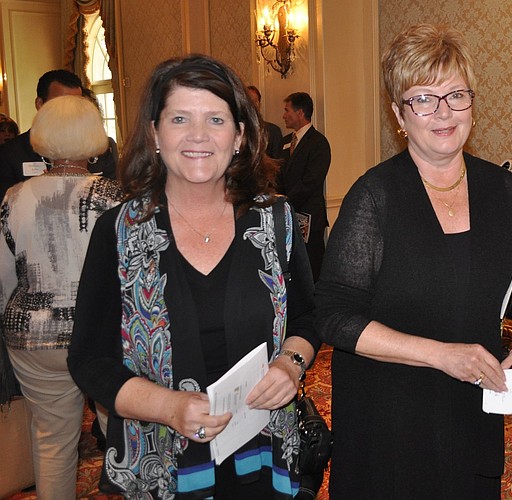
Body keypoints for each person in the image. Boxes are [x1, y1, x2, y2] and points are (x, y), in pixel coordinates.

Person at [314, 23, 512, 499]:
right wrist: (443, 355)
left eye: (456, 95)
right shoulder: (375, 196)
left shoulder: (503, 191)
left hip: (471, 417)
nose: (443, 112)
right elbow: (335, 317)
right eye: (423, 98)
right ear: (399, 115)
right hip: (389, 423)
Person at [67, 55, 320, 498]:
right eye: (180, 118)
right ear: (155, 133)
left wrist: (290, 365)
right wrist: (169, 407)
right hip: (162, 464)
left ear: (240, 135)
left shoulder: (275, 220)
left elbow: (307, 320)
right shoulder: (120, 231)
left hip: (263, 456)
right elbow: (88, 359)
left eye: (216, 119)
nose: (199, 136)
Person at [0, 95, 122, 500]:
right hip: (102, 335)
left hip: (33, 337)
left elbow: (3, 279)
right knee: (120, 430)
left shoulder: (14, 198)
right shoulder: (114, 197)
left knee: (52, 442)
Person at [0, 70, 118, 200]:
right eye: (61, 104)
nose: (71, 111)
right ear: (40, 104)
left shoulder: (97, 148)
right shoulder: (10, 154)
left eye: (77, 103)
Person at [277, 92, 331, 280]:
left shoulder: (318, 143)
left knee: (312, 268)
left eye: (287, 110)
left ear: (300, 113)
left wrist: (286, 199)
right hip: (285, 216)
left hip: (309, 218)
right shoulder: (284, 142)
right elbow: (277, 174)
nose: (284, 115)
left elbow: (312, 181)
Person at [246, 85, 285, 159]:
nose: (253, 105)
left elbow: (278, 163)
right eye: (249, 102)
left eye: (255, 101)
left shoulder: (273, 131)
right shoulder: (235, 130)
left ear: (259, 104)